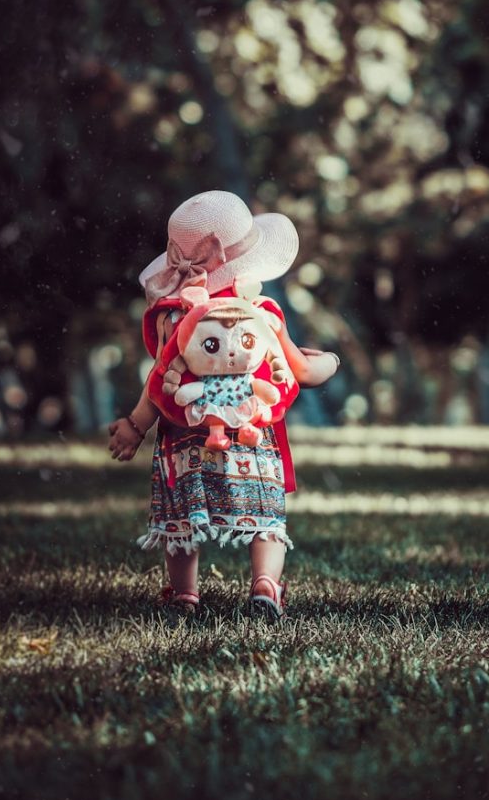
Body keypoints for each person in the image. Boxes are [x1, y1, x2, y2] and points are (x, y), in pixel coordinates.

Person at [108, 190, 339, 619]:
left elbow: (159, 380)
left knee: (184, 521)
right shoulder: (262, 311)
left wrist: (135, 426)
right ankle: (265, 583)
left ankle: (184, 594)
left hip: (187, 436)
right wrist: (330, 361)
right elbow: (304, 372)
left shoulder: (172, 316)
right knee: (264, 518)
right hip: (250, 436)